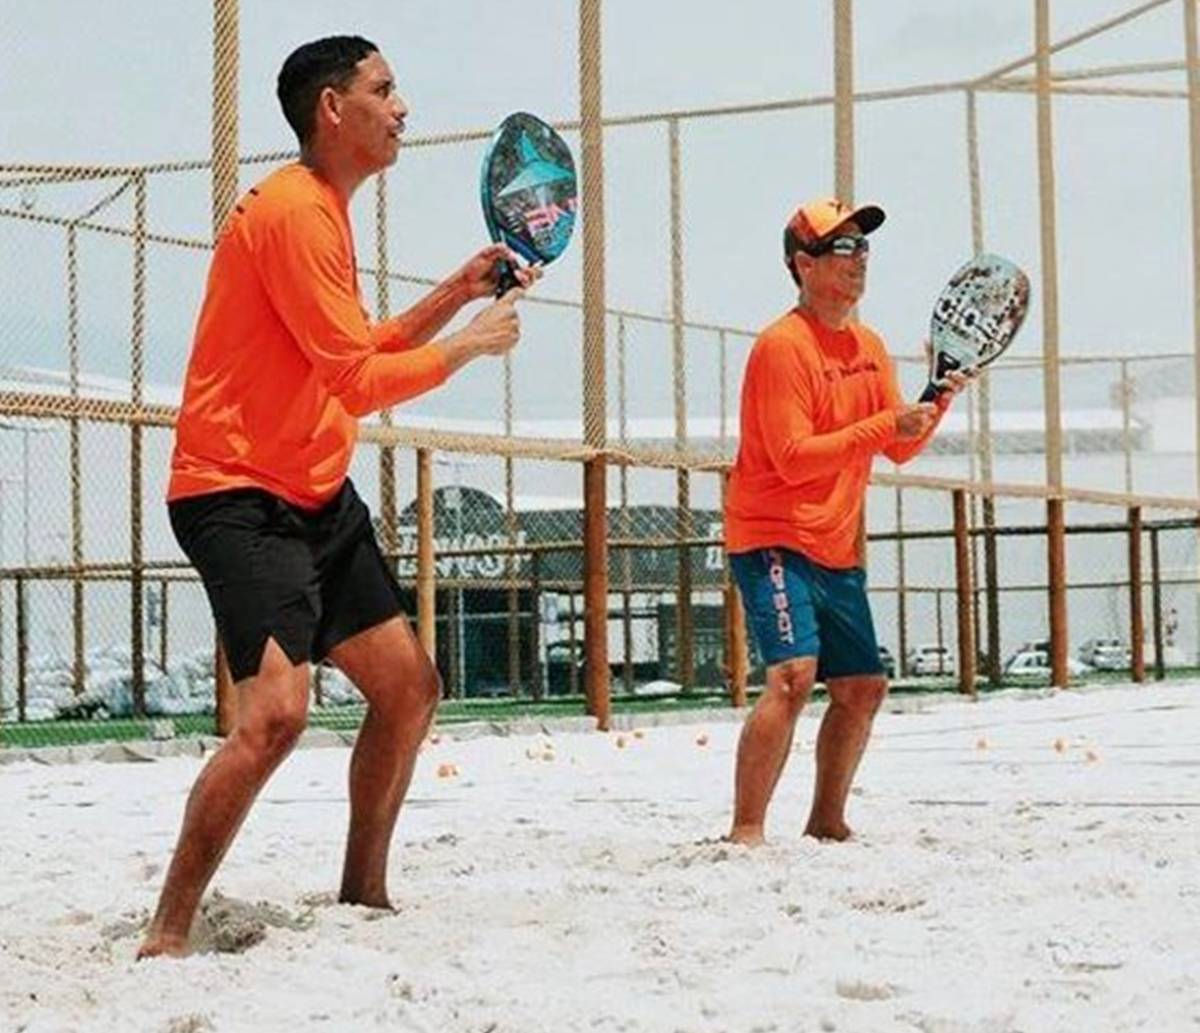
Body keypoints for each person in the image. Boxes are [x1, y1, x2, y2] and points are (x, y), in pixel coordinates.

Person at [139, 35, 539, 958]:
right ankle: (168, 931)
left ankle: (363, 892)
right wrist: (472, 344)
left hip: (316, 490)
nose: (403, 109)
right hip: (237, 491)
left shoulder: (323, 210)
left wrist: (458, 289)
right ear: (332, 107)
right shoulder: (293, 214)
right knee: (276, 716)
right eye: (385, 90)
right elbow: (358, 381)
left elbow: (357, 350)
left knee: (409, 688)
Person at [723, 197, 970, 845]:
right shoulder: (783, 347)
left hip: (834, 546)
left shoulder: (869, 345)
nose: (858, 260)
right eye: (842, 248)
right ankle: (746, 829)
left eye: (864, 248)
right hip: (772, 536)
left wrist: (936, 394)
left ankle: (826, 820)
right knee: (791, 676)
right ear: (803, 265)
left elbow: (898, 445)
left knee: (860, 686)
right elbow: (793, 458)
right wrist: (887, 423)